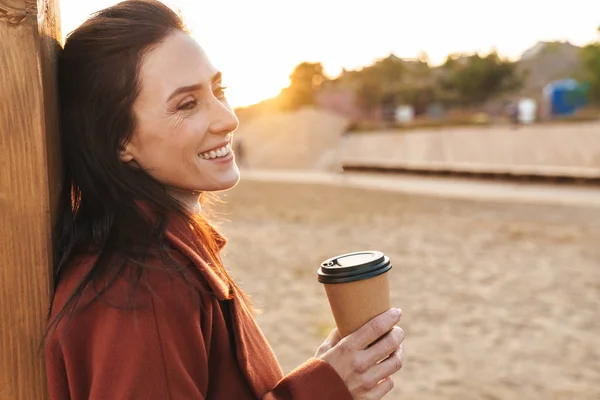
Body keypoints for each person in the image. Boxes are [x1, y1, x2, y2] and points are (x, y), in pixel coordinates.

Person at [45, 1, 405, 399]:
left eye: (218, 91)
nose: (227, 119)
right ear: (120, 140)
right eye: (187, 104)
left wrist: (326, 372)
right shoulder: (141, 288)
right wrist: (322, 389)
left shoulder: (163, 250)